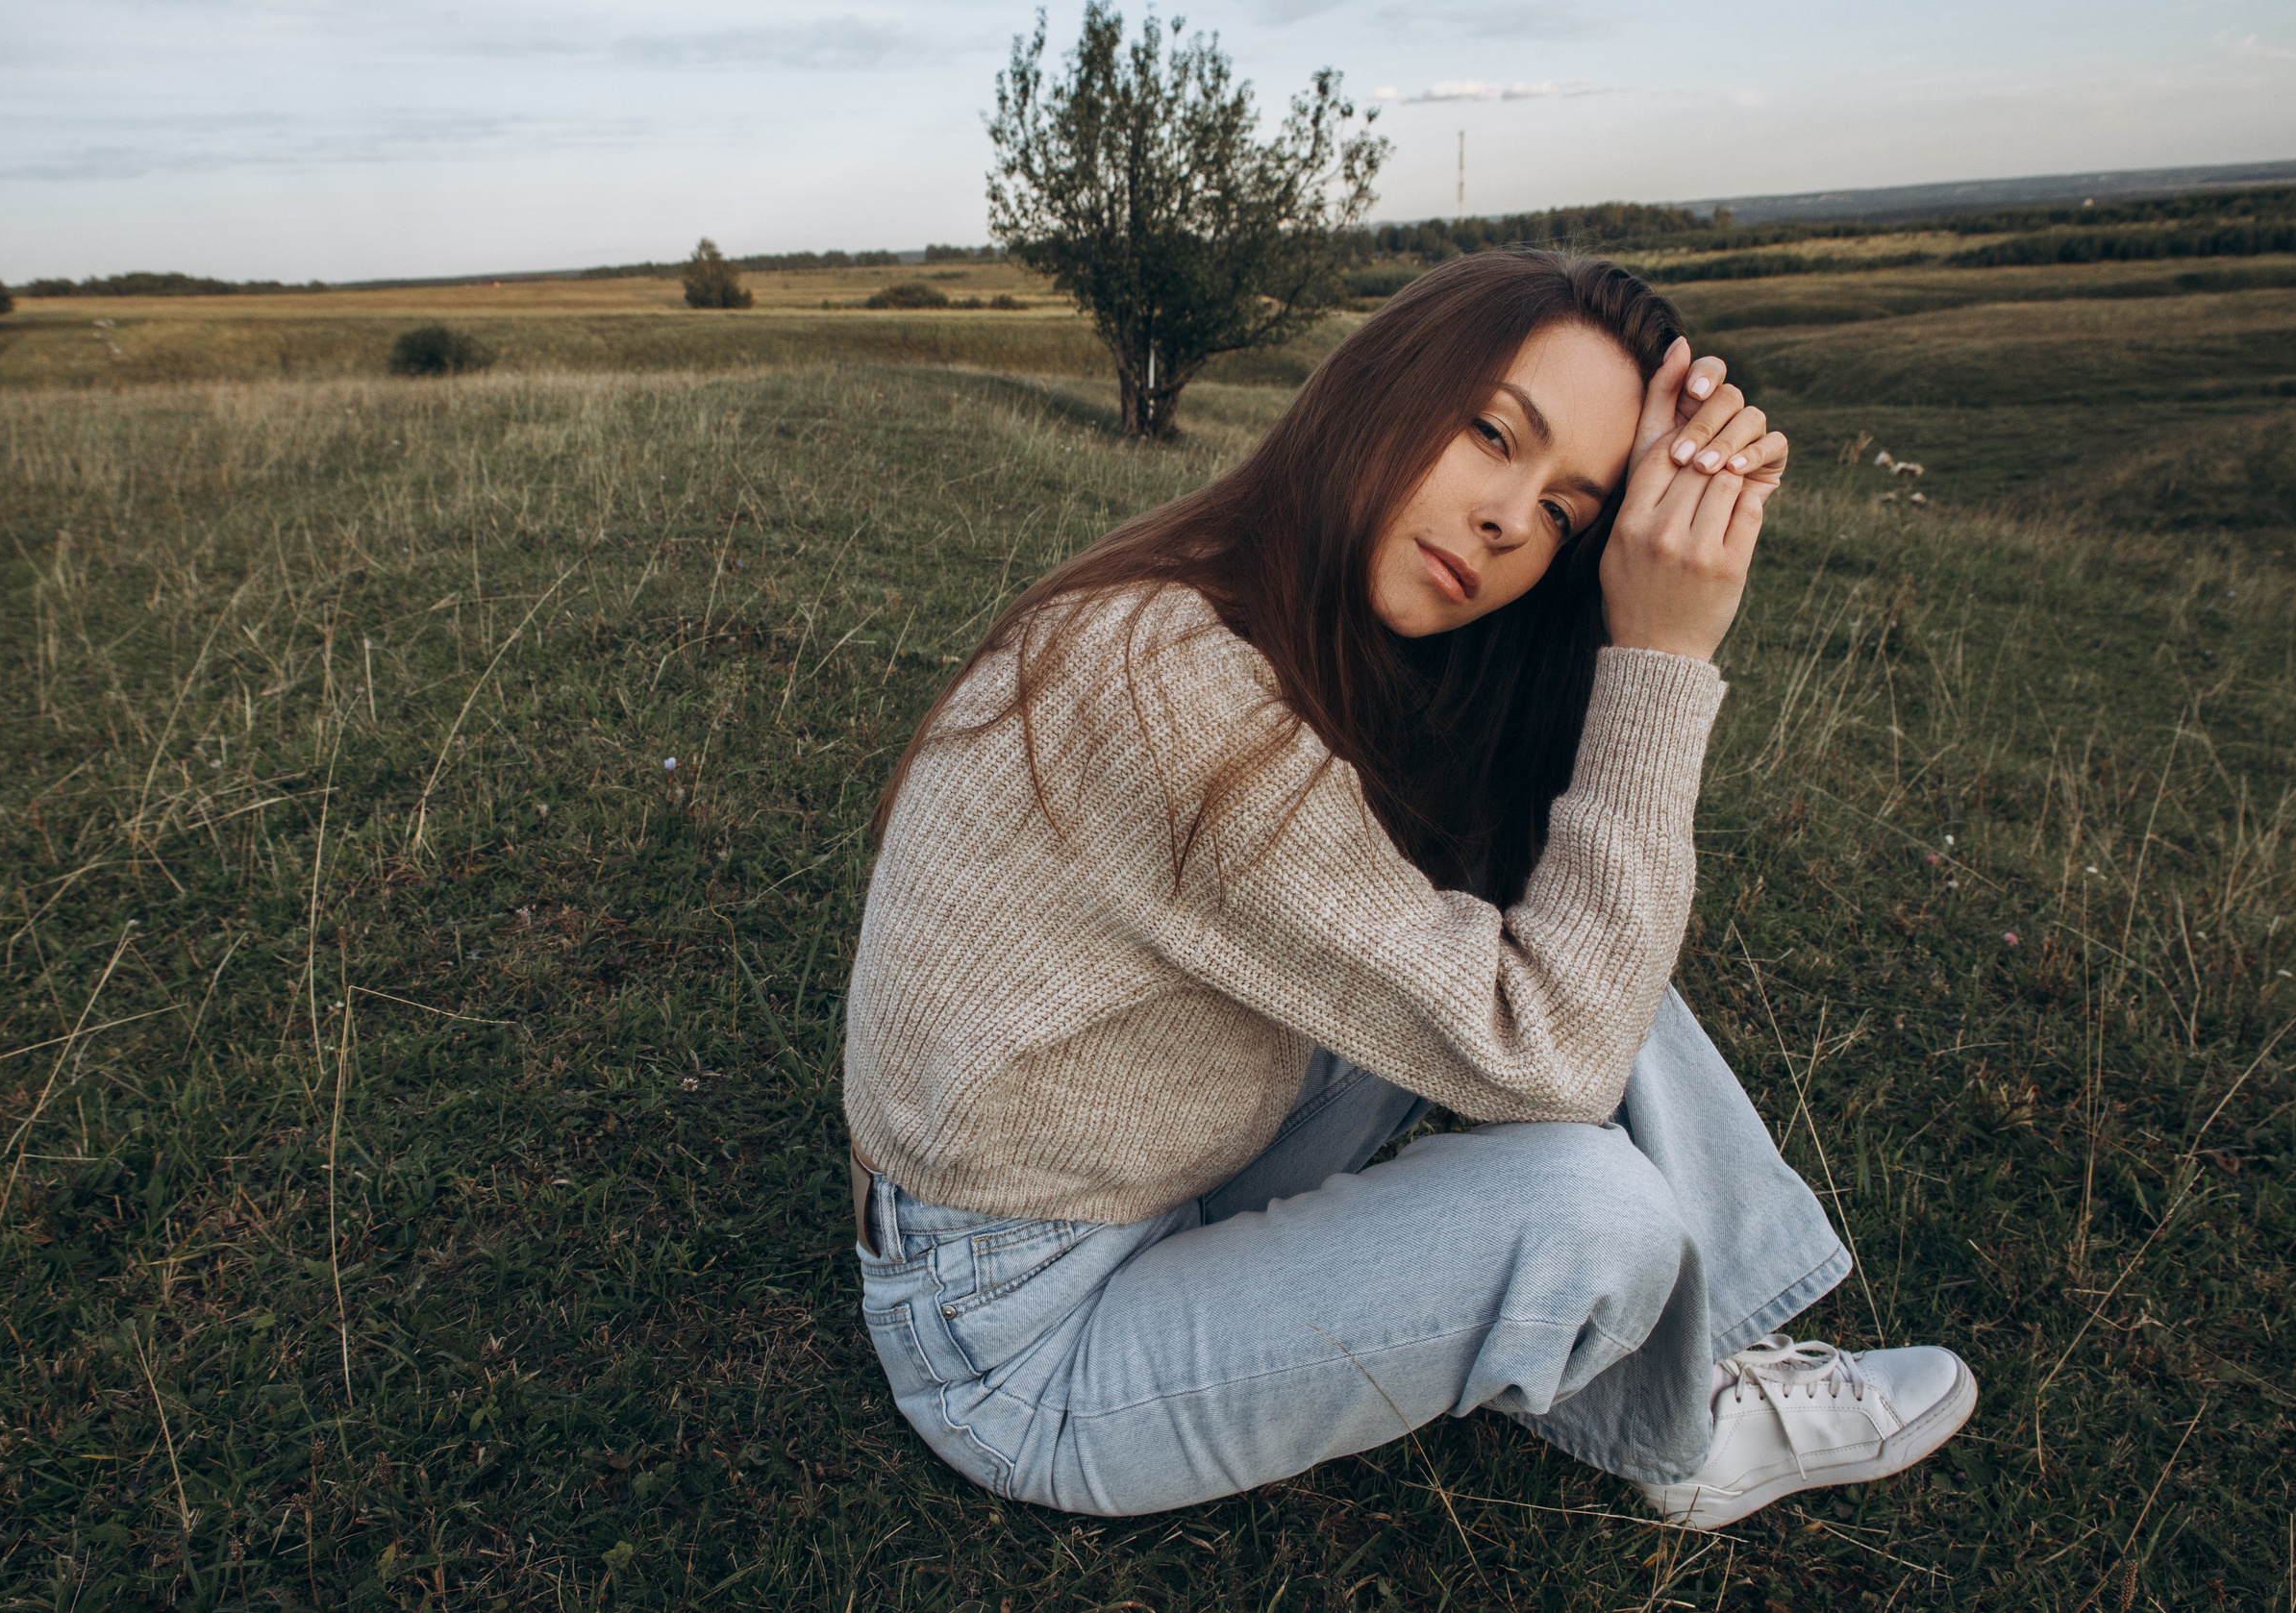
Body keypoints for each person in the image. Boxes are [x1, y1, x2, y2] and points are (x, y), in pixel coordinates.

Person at [840, 250, 1975, 1526]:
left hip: (1156, 1164)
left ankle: (1714, 1345)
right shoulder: (1168, 690)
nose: (1507, 520)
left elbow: (1569, 953)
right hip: (1018, 1343)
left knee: (1572, 929)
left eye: (1566, 511)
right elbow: (1551, 1054)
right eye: (1494, 432)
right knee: (1591, 1204)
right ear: (1384, 386)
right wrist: (1661, 654)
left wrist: (1671, 508)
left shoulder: (1253, 606)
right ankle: (1683, 1435)